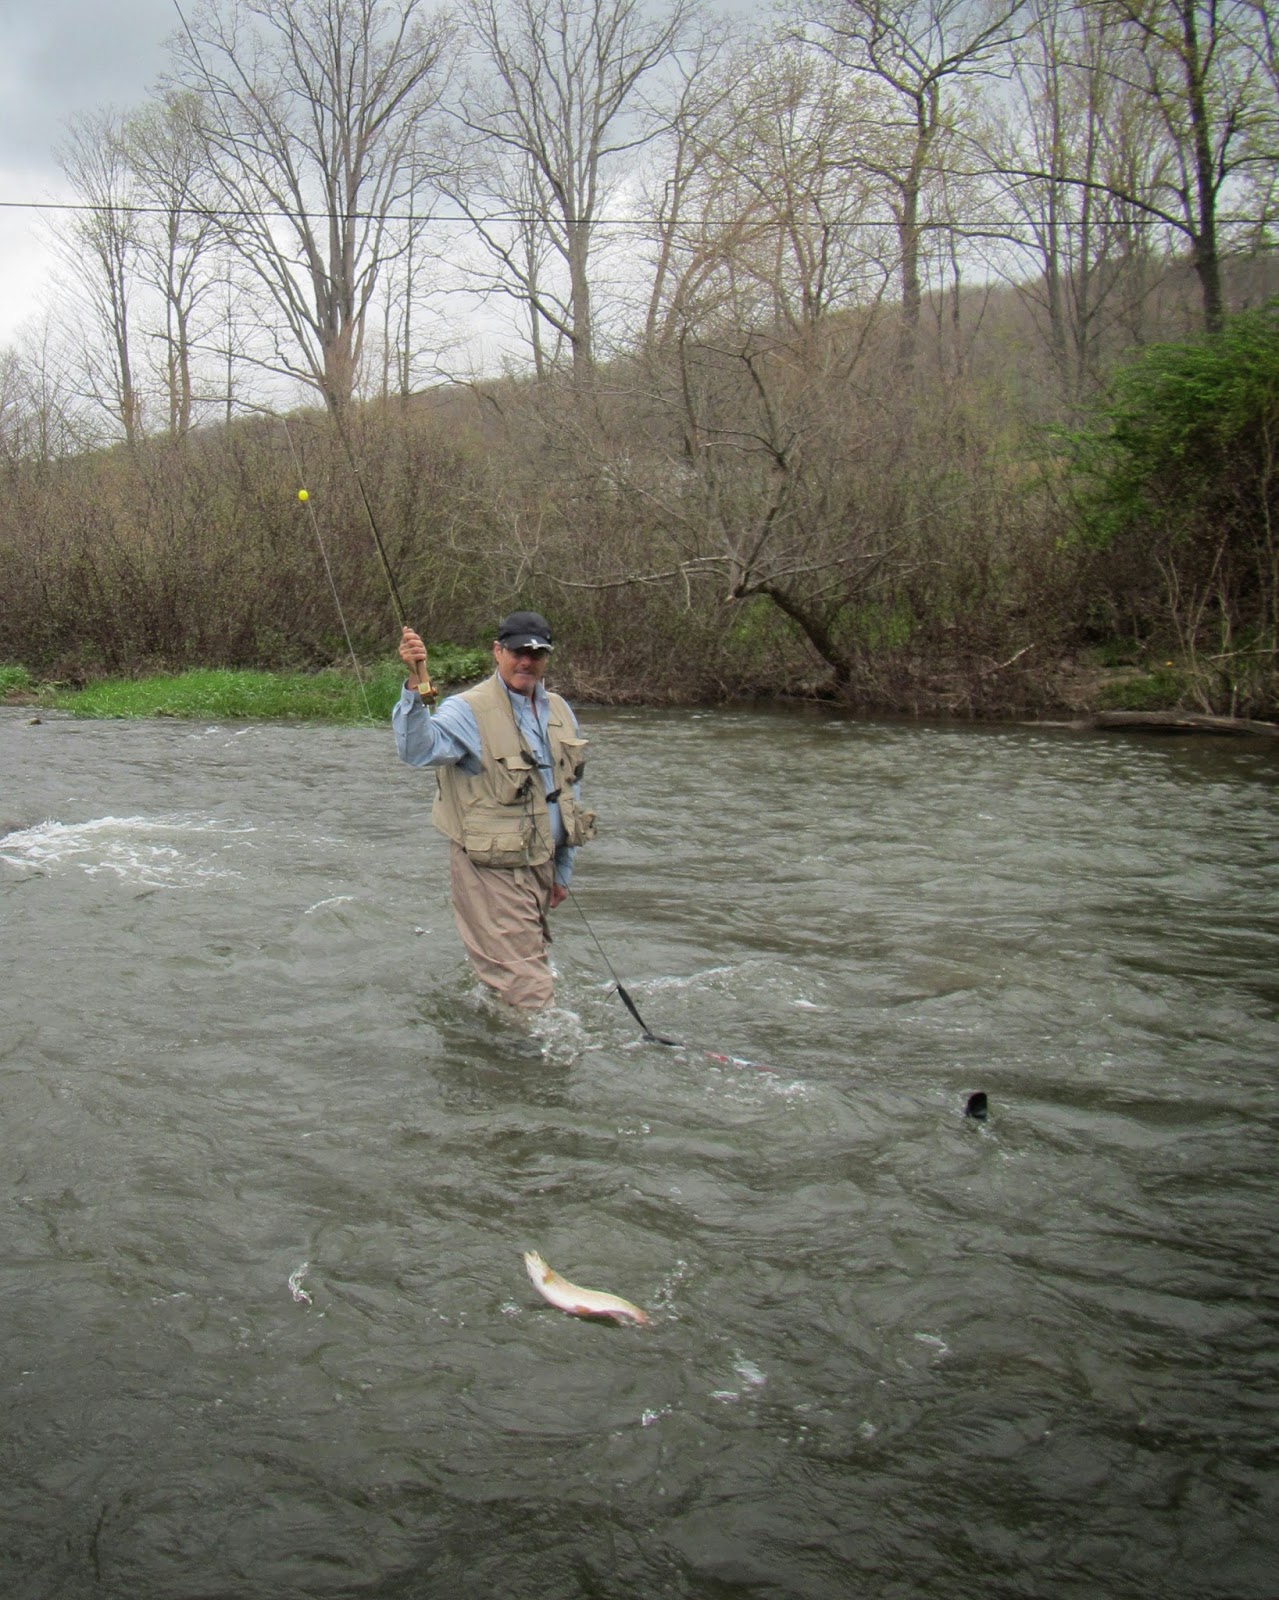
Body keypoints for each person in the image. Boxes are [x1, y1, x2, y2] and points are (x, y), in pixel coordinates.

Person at [392, 610, 596, 1011]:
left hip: (542, 864)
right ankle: (542, 1046)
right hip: (488, 870)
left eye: (537, 654)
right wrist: (416, 687)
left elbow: (568, 792)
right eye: (519, 652)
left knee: (520, 971)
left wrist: (563, 870)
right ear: (498, 652)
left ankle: (496, 1025)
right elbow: (417, 750)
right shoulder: (466, 709)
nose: (527, 662)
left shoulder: (560, 710)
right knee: (529, 989)